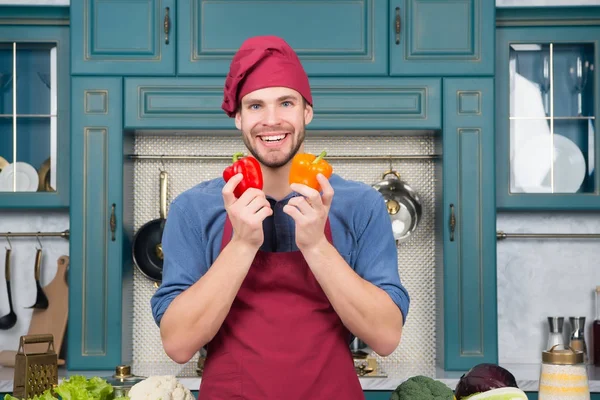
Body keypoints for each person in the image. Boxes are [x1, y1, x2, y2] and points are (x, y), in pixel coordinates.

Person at [151, 35, 410, 399]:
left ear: (307, 111)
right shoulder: (194, 208)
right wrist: (241, 245)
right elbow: (178, 344)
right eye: (255, 106)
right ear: (237, 117)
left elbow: (385, 337)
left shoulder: (361, 204)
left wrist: (317, 246)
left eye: (285, 103)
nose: (271, 121)